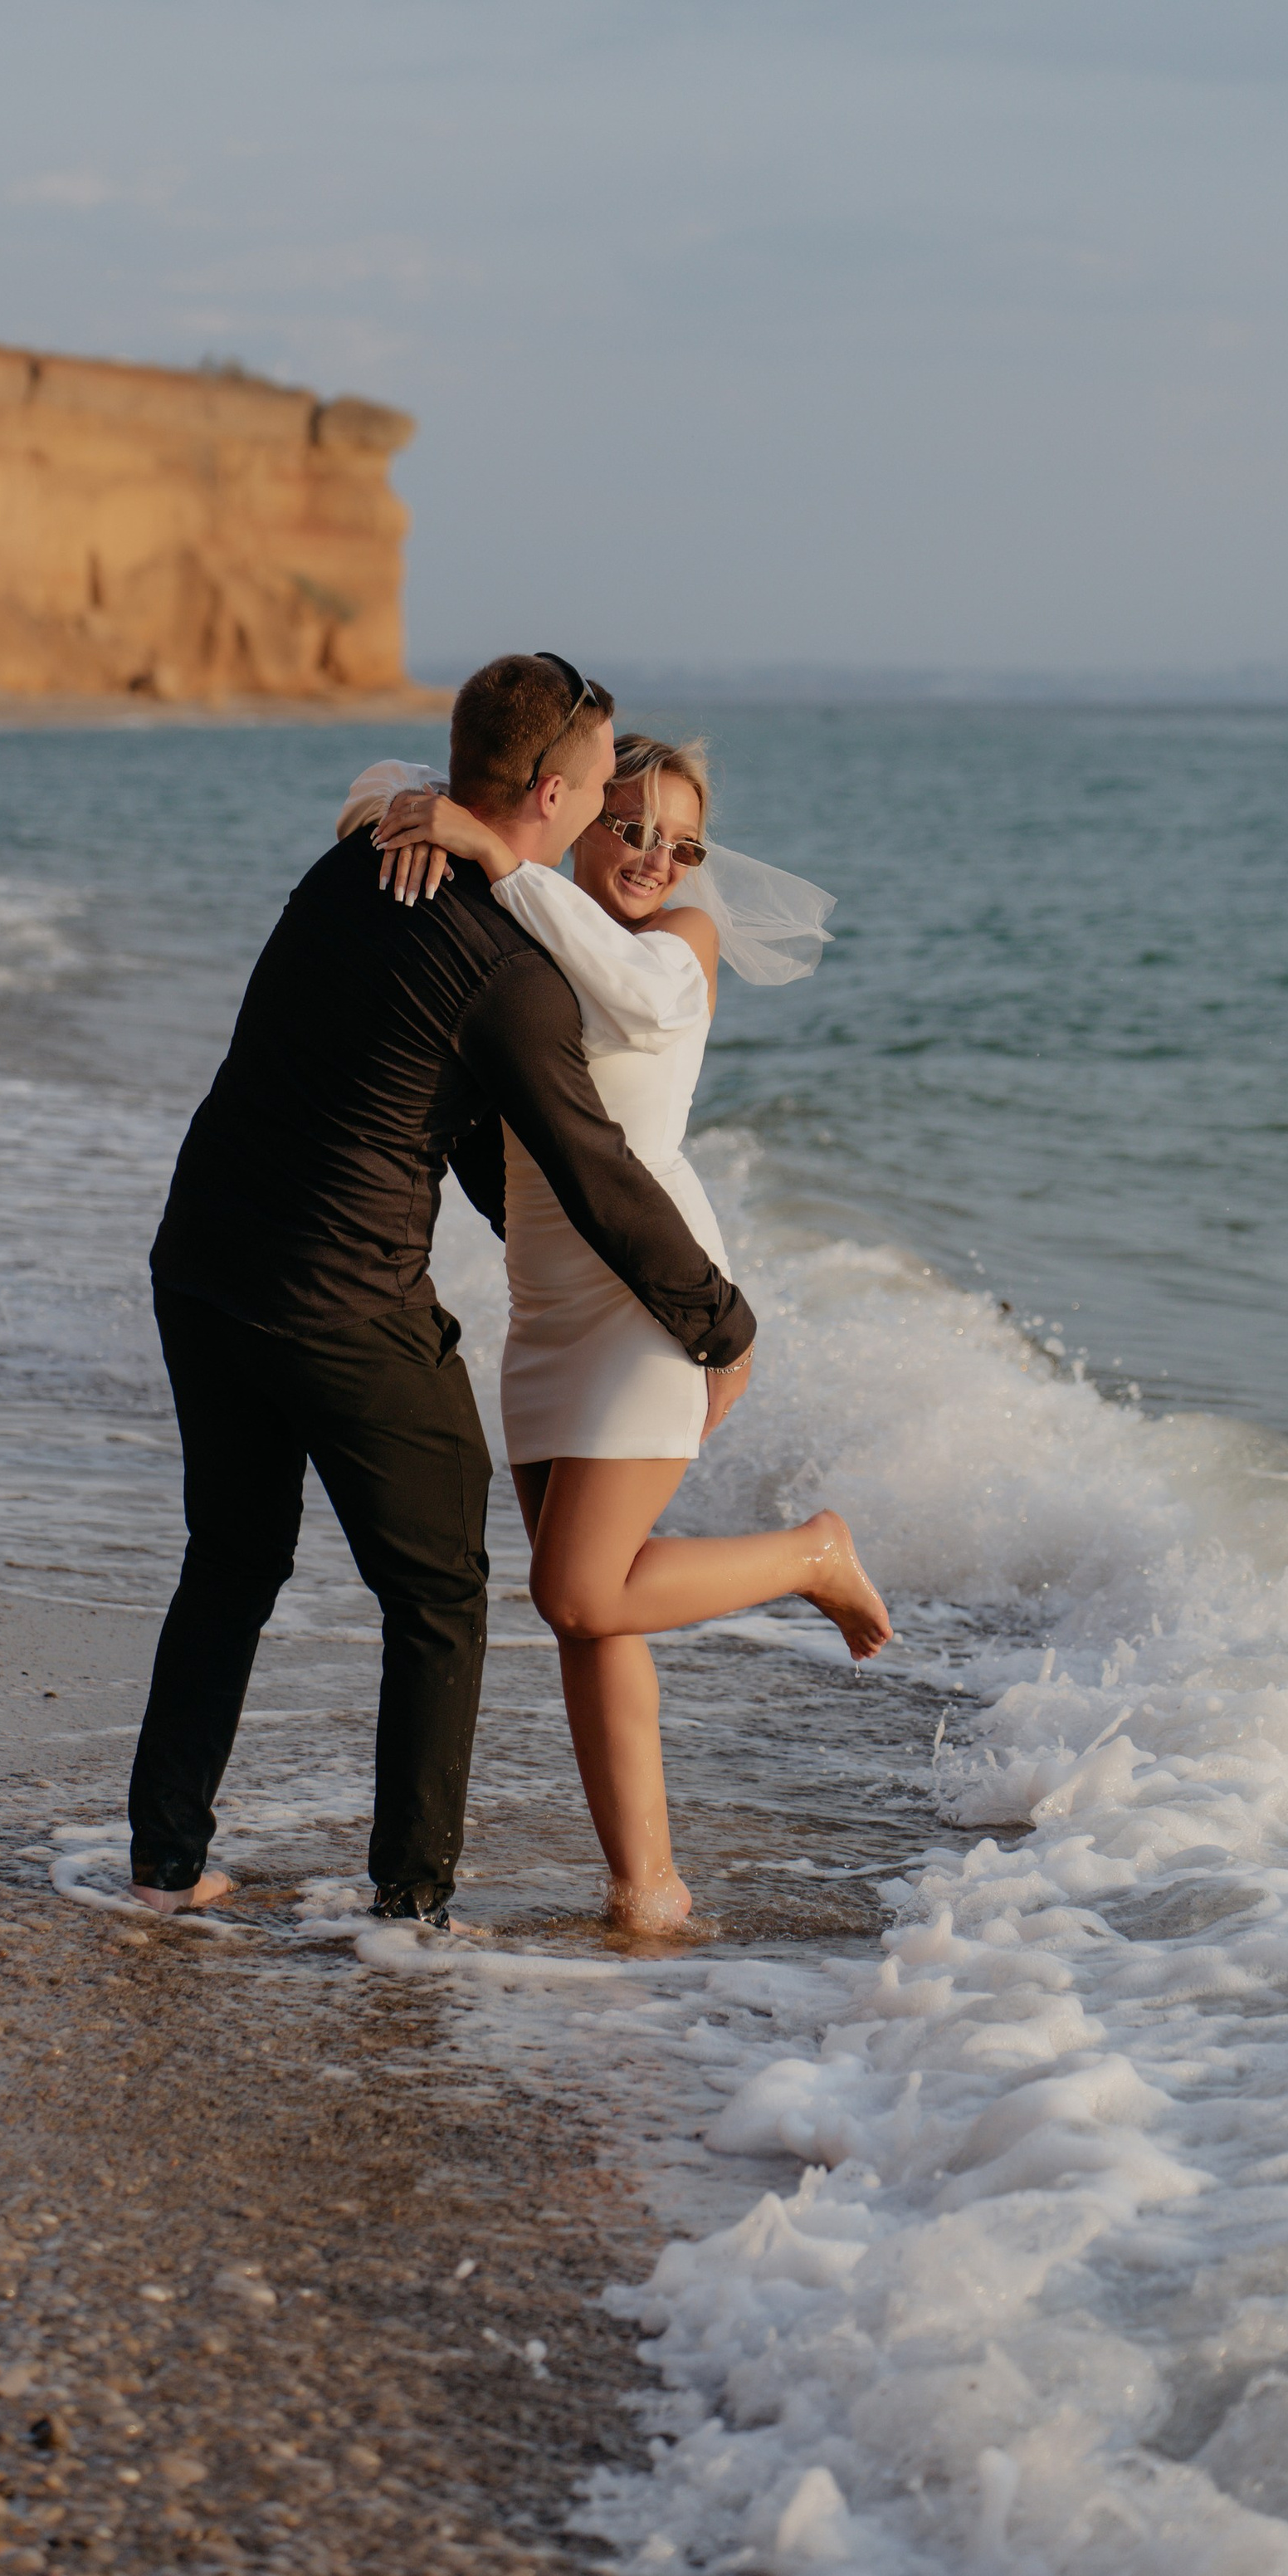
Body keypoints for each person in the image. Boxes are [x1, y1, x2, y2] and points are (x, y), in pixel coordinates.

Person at [128, 653, 756, 1928]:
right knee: (438, 1596)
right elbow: (588, 1169)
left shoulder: (352, 860)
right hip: (344, 1306)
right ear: (547, 793)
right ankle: (409, 1904)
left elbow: (480, 1147)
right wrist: (719, 1321)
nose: (607, 815)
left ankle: (165, 1865)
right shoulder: (509, 977)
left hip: (198, 1263)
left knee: (232, 1560)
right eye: (595, 791)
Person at [362, 729, 891, 1930]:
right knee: (588, 1618)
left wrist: (493, 853)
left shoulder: (676, 945)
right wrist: (415, 810)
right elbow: (375, 784)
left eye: (684, 842)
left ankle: (812, 1553)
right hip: (548, 1304)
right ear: (584, 813)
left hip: (651, 1294)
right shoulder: (534, 917)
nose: (659, 858)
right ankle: (646, 1886)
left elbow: (635, 986)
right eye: (635, 826)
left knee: (584, 1590)